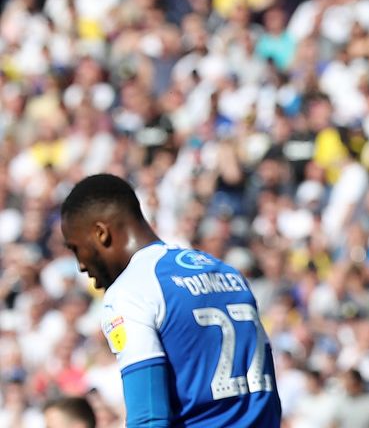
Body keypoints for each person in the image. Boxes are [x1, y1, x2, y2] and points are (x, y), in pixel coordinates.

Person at [60, 174, 281, 427]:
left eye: (76, 248)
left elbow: (149, 417)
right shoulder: (229, 275)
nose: (80, 266)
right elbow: (268, 392)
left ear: (101, 233)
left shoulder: (131, 291)